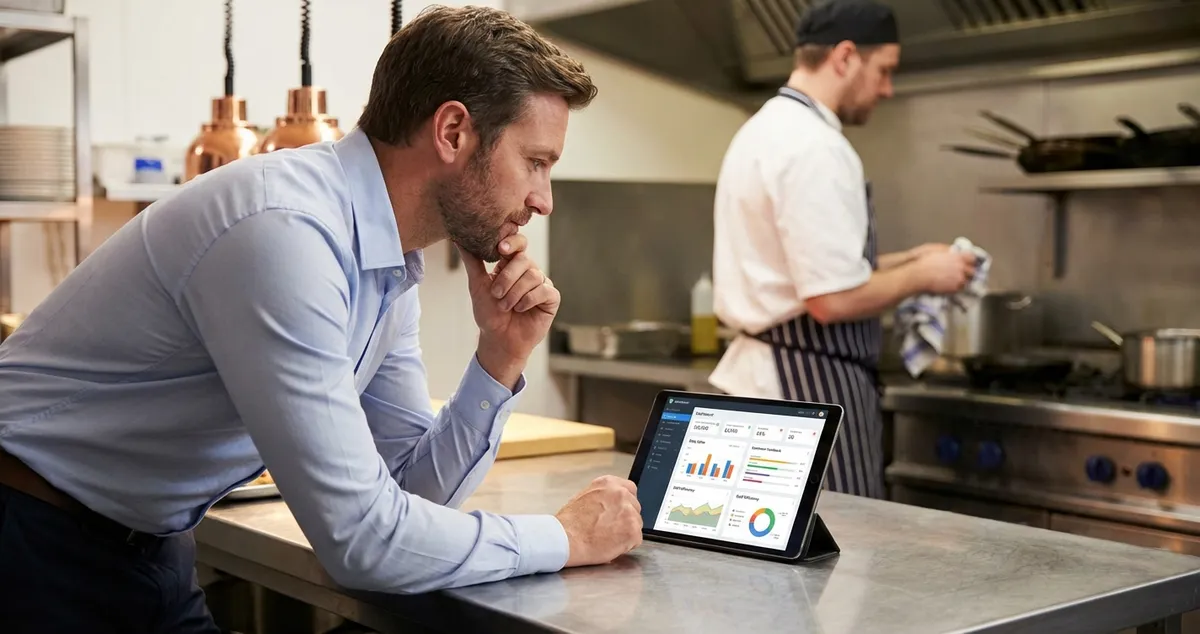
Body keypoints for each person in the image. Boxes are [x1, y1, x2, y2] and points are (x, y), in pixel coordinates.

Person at [0, 6, 643, 632]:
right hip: (29, 537)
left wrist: (499, 359)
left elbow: (408, 497)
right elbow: (362, 542)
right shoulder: (286, 232)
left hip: (146, 548)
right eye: (536, 161)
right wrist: (563, 538)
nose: (544, 200)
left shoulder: (387, 265)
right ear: (452, 132)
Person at [709, 0, 975, 500]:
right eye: (884, 71)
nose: (887, 89)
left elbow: (813, 267)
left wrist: (914, 258)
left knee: (767, 568)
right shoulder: (816, 147)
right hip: (805, 394)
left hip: (763, 383)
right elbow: (831, 299)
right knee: (837, 565)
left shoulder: (765, 129)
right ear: (846, 56)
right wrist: (925, 278)